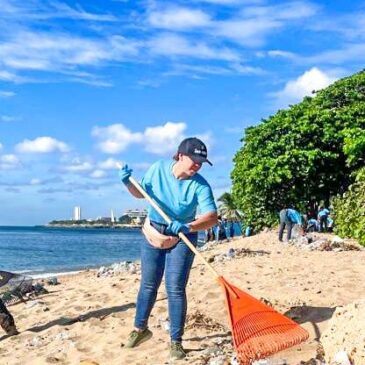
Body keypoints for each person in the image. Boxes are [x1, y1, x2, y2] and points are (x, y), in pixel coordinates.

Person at [119, 137, 218, 360]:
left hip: (184, 234)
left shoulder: (200, 185)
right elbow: (141, 193)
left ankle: (176, 342)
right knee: (148, 284)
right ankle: (140, 330)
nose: (197, 166)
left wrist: (189, 225)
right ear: (180, 156)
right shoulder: (158, 169)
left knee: (174, 288)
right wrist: (127, 183)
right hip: (154, 232)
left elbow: (211, 217)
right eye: (194, 161)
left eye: (201, 163)